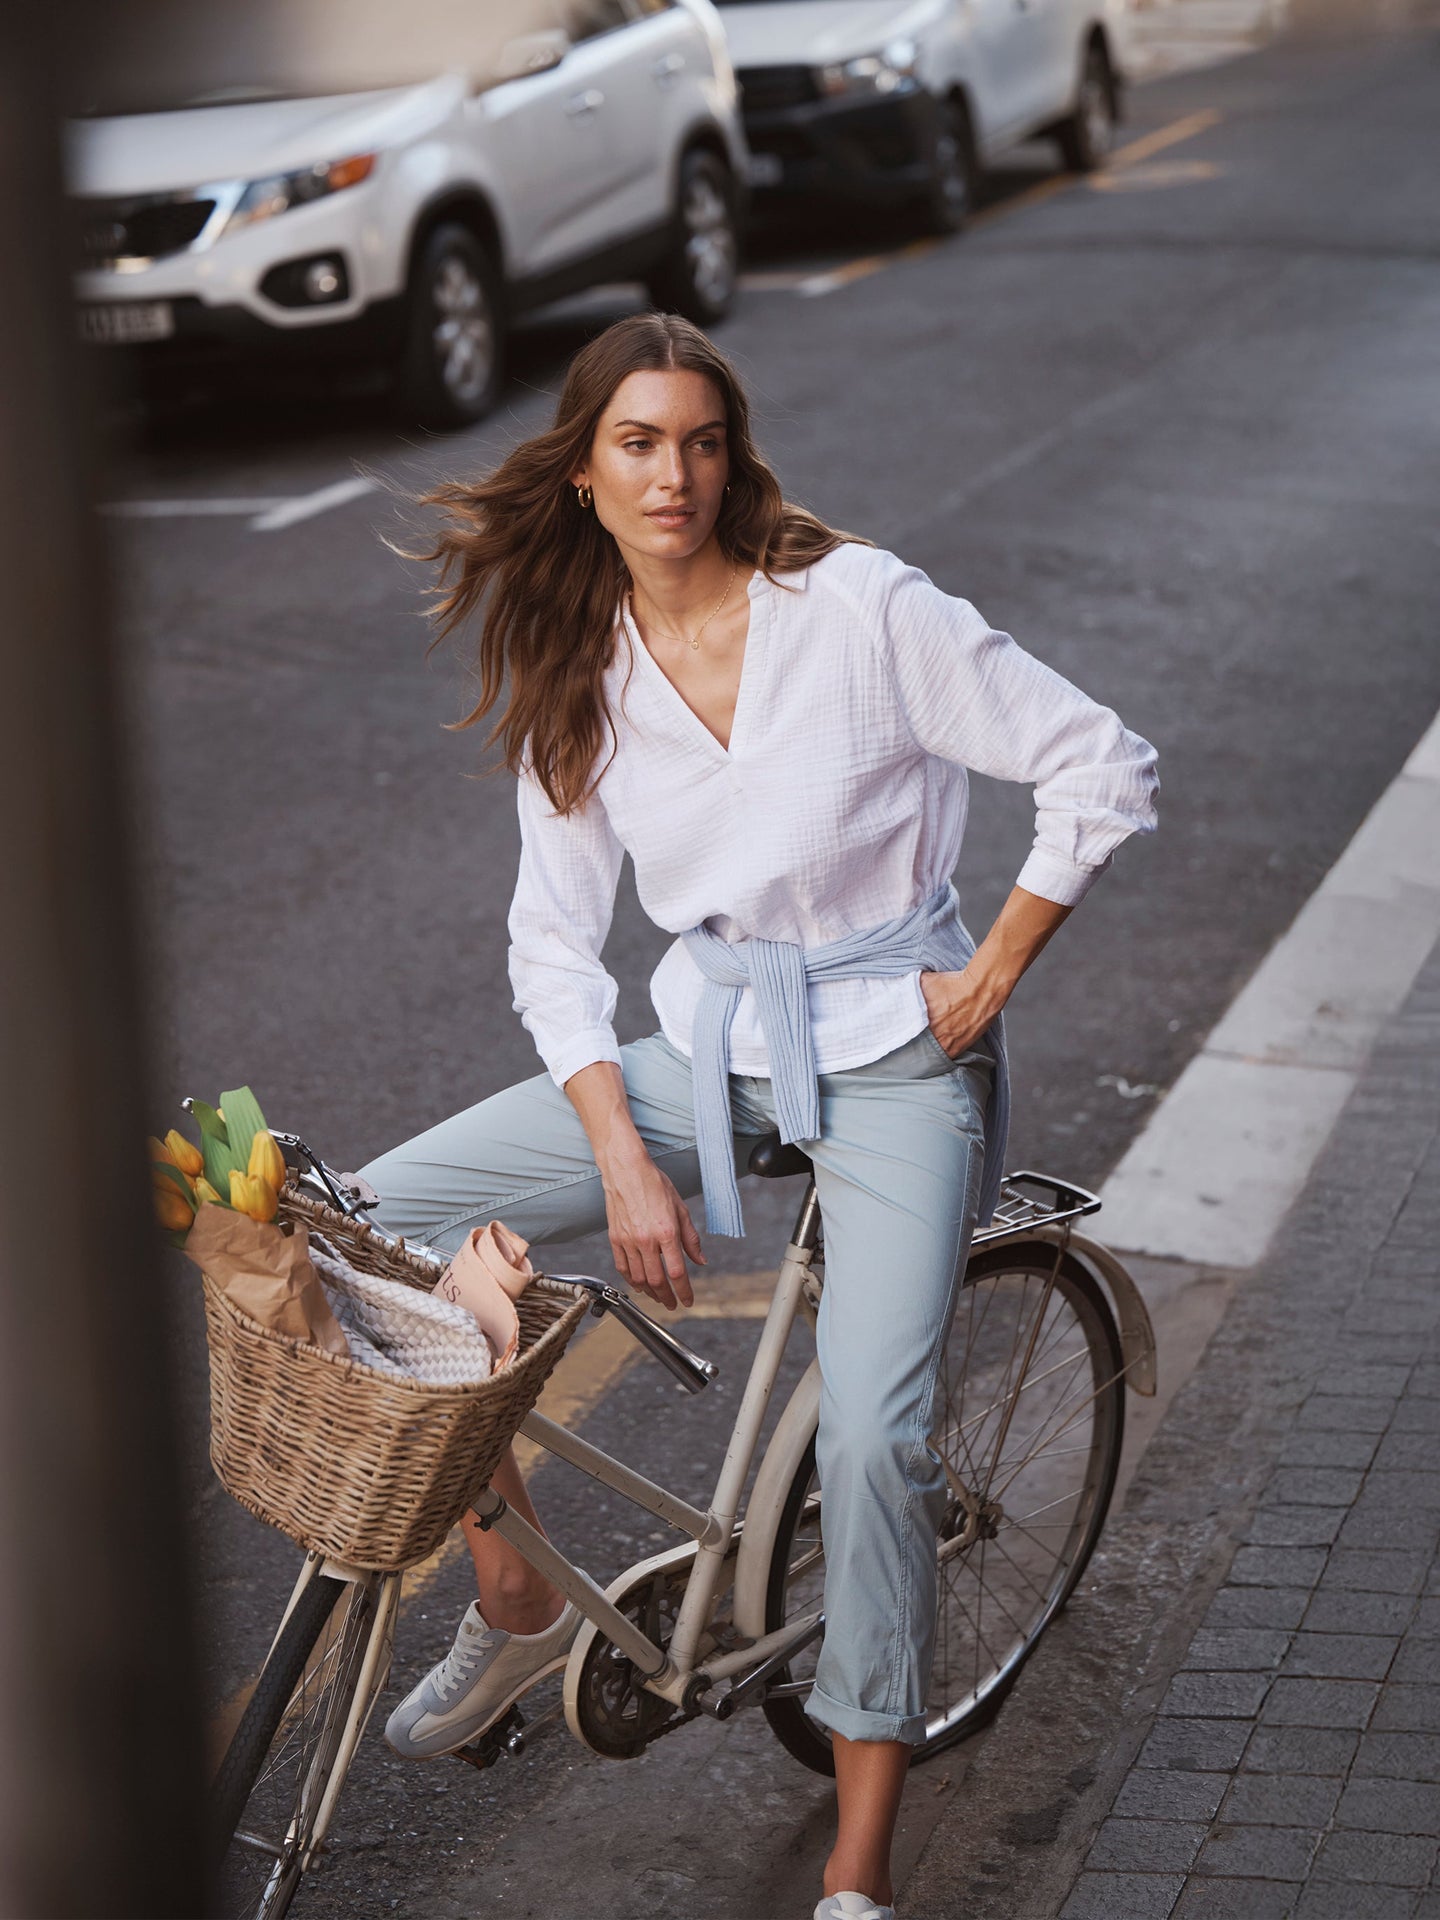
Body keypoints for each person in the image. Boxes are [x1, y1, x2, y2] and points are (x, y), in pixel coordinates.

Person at [358, 311, 1159, 1920]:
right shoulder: (582, 665)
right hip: (707, 1048)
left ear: (734, 459)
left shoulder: (860, 610)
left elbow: (1101, 764)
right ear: (585, 474)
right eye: (638, 444)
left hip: (895, 1058)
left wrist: (989, 974)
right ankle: (514, 1601)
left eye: (702, 442)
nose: (675, 475)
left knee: (874, 1443)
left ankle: (858, 1865)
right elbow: (552, 945)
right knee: (372, 1227)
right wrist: (617, 1153)